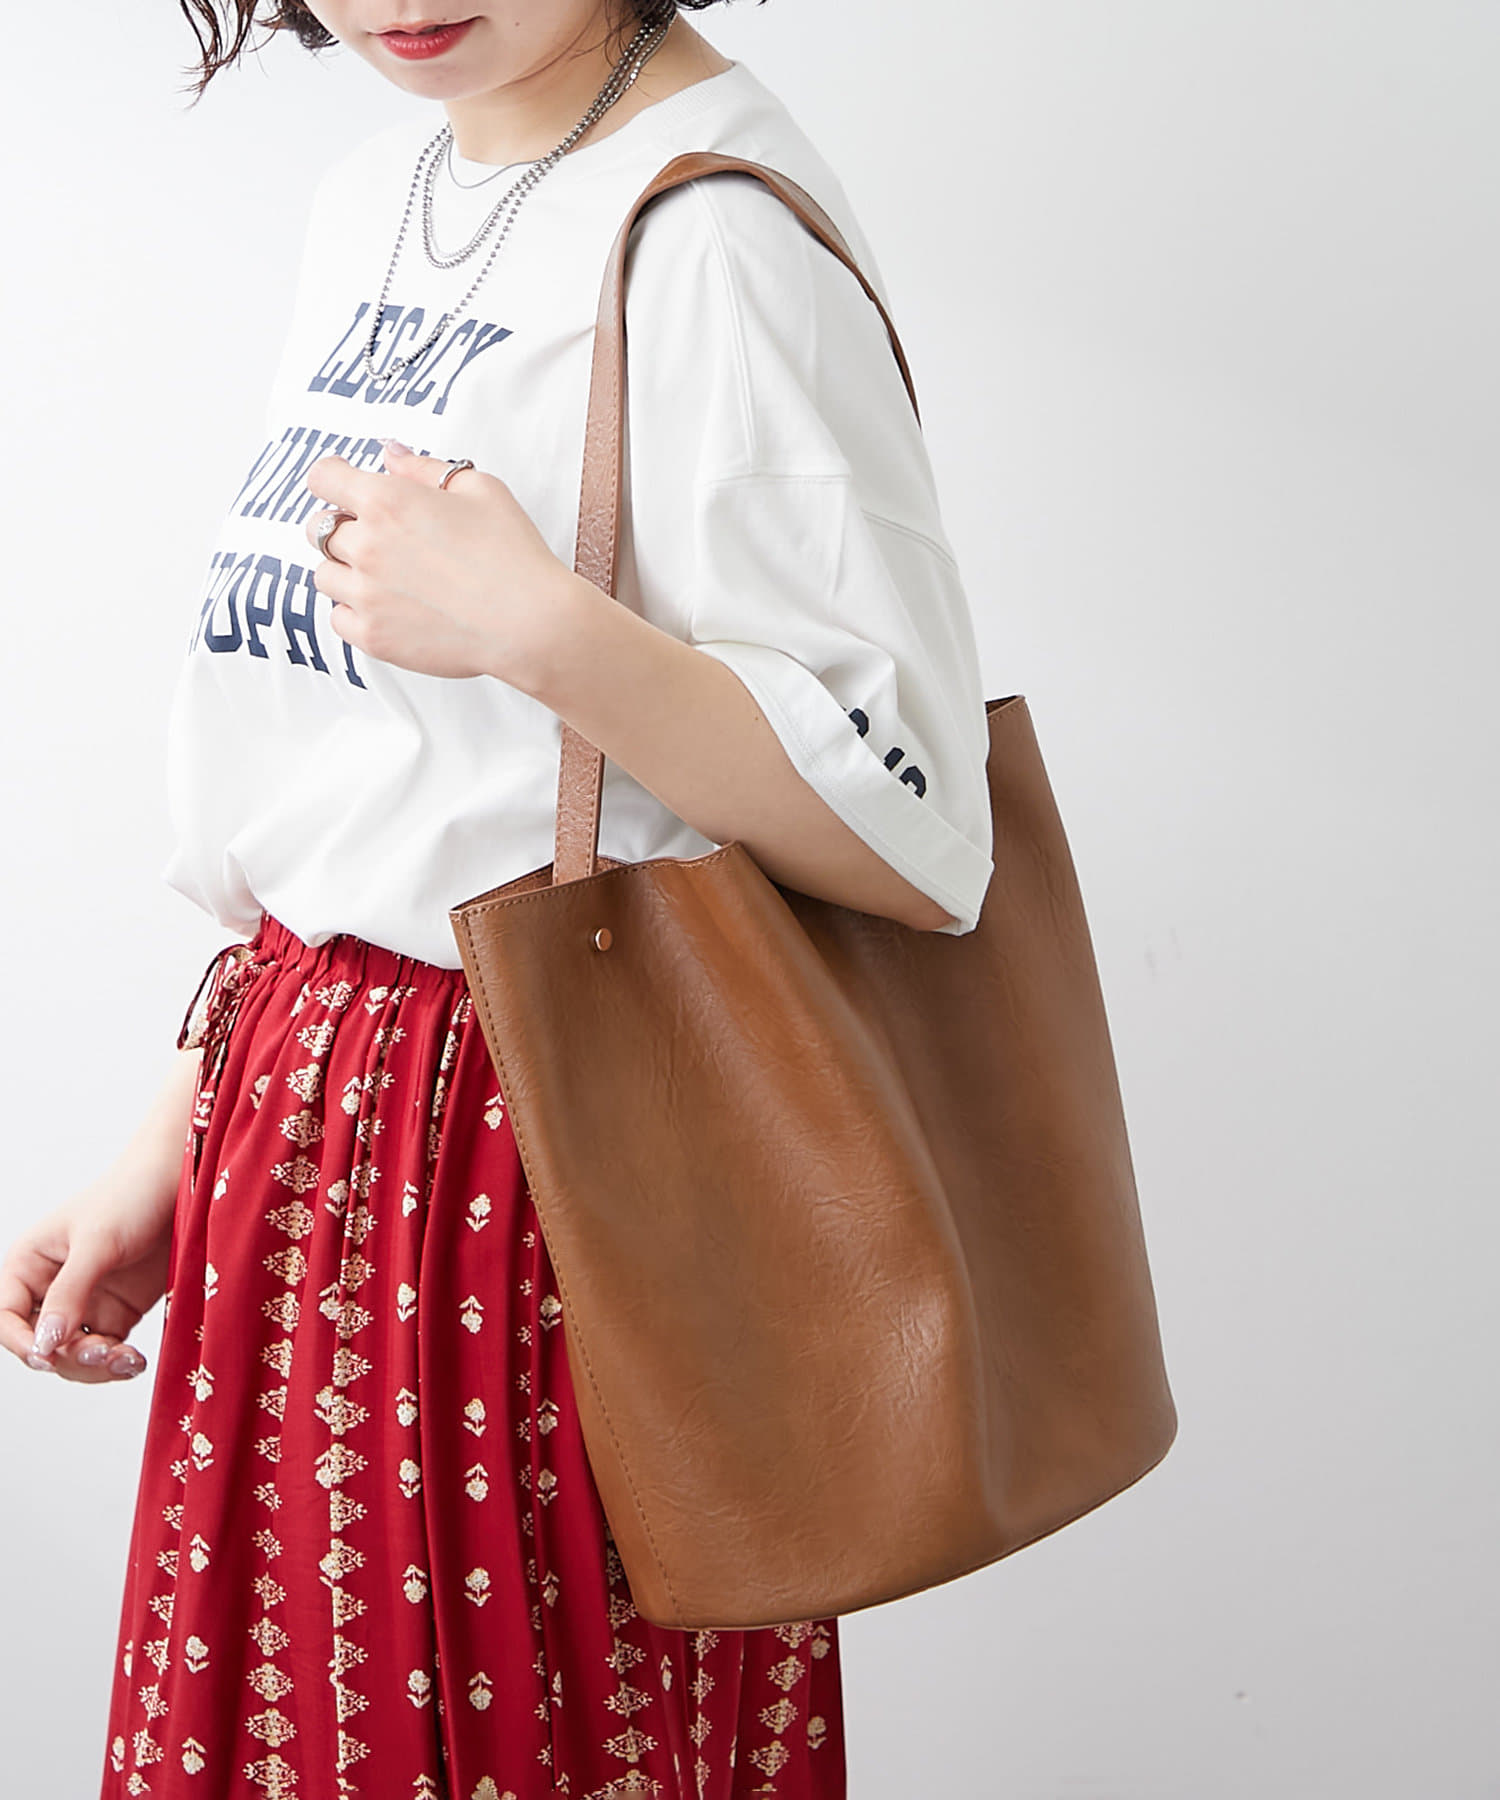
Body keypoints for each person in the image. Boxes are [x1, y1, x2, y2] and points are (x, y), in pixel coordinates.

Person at [0, 2, 996, 1795]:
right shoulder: (379, 194)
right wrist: (181, 1132)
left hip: (535, 1171)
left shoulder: (710, 232)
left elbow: (918, 831)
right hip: (299, 1131)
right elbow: (353, 773)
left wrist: (544, 630)